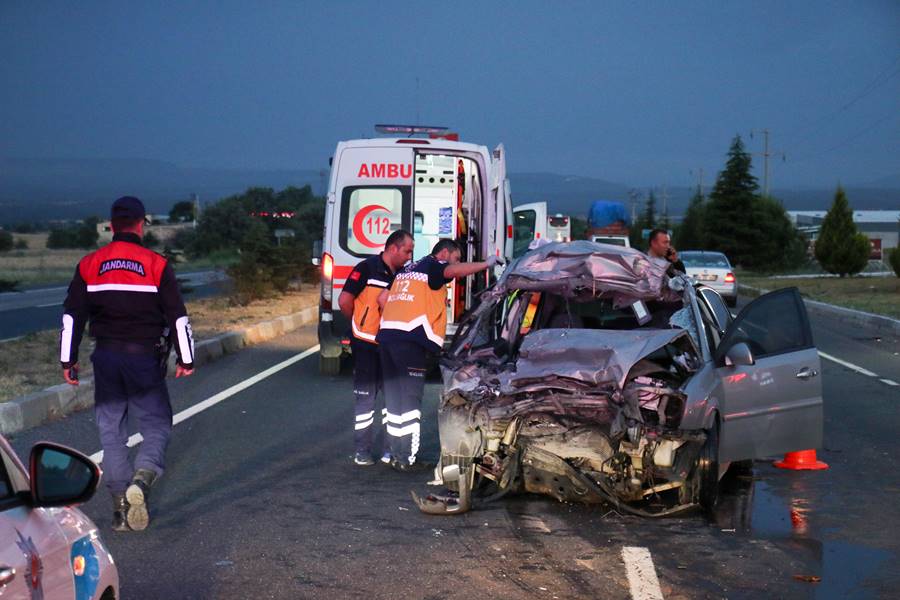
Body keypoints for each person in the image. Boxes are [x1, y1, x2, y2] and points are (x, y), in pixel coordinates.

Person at [60, 196, 194, 532]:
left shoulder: (90, 264)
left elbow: (72, 317)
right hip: (143, 358)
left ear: (112, 225)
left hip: (105, 357)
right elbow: (178, 317)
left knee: (111, 432)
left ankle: (120, 509)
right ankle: (144, 477)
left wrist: (68, 360)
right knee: (156, 424)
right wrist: (186, 357)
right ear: (140, 224)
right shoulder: (155, 264)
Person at [376, 239, 503, 472]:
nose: (454, 265)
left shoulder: (407, 270)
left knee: (394, 400)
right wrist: (486, 264)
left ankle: (395, 453)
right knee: (411, 402)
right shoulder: (433, 266)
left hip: (386, 339)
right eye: (456, 257)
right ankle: (406, 458)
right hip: (410, 342)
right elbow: (453, 270)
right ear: (444, 252)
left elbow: (381, 299)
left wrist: (399, 316)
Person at [337, 229, 414, 466]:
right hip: (366, 344)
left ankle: (390, 451)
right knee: (366, 400)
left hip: (391, 345)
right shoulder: (367, 268)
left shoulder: (403, 274)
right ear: (393, 248)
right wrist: (358, 325)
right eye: (407, 251)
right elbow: (344, 300)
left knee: (392, 400)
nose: (409, 256)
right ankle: (362, 450)